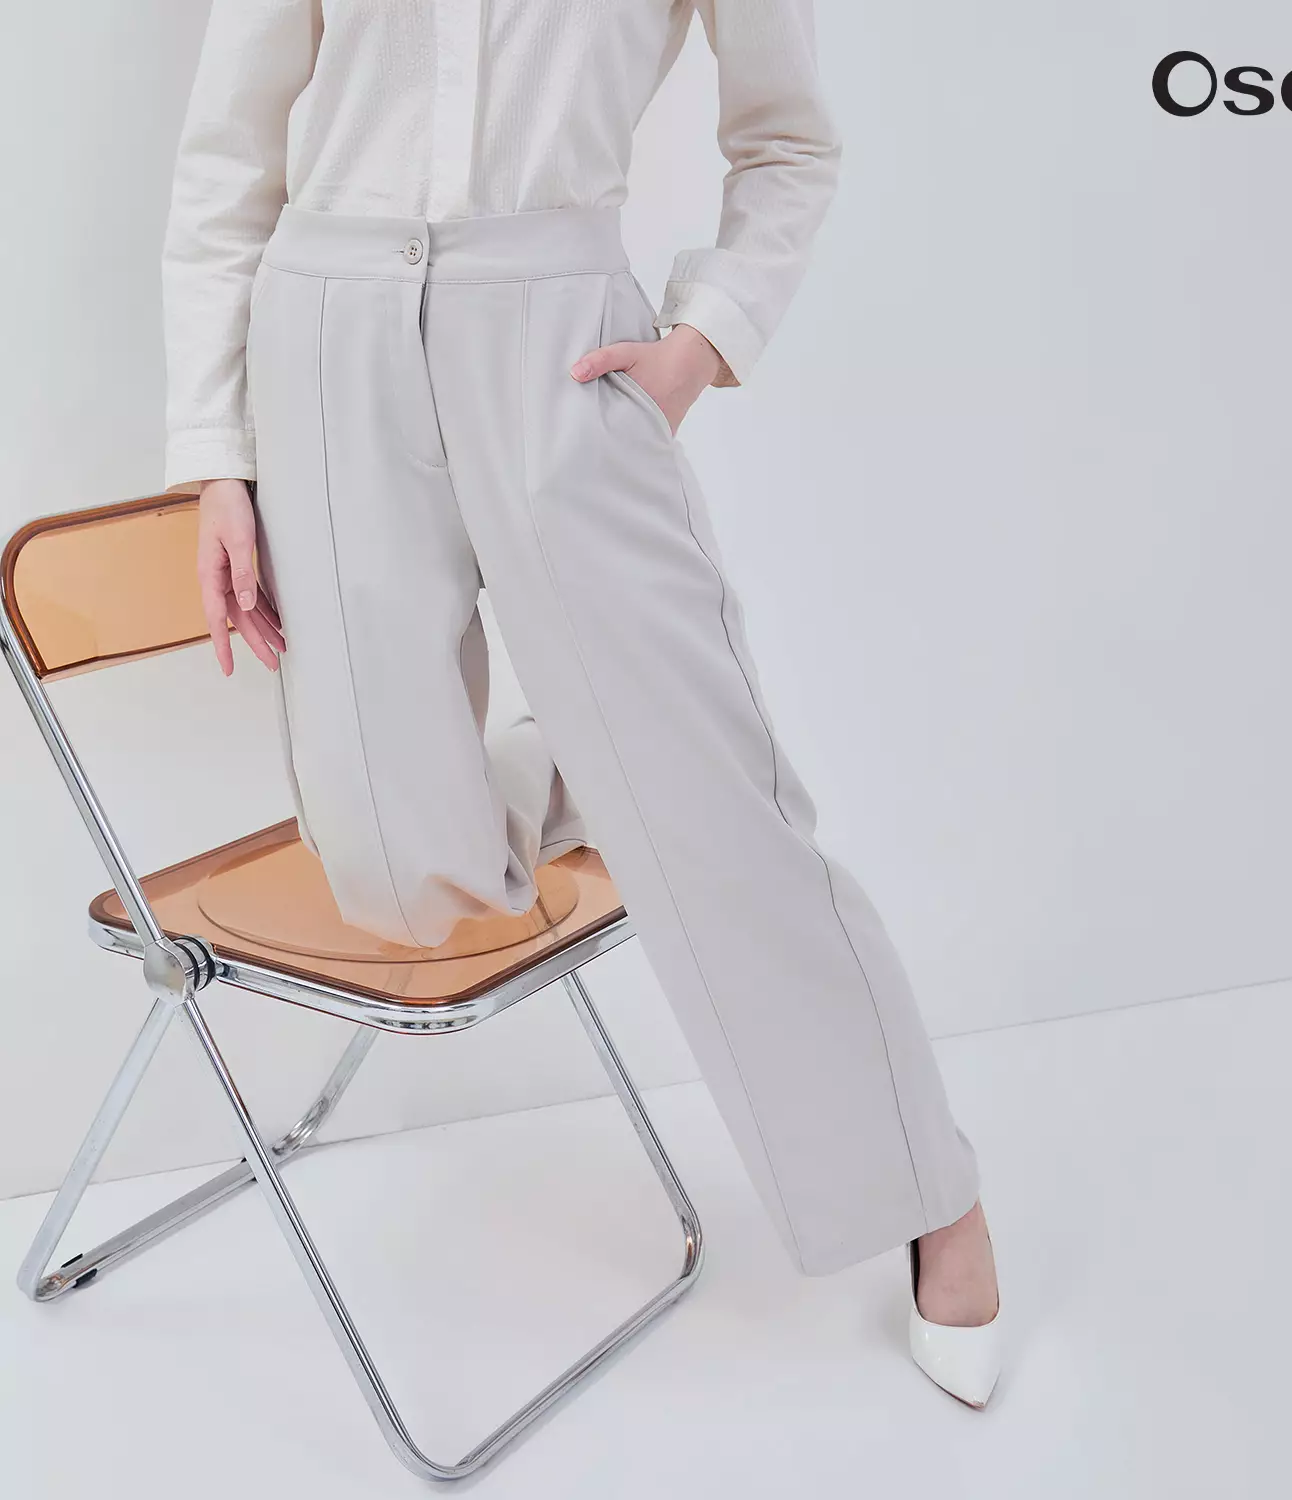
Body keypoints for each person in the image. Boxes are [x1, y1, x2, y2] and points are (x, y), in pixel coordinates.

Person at [162, 0, 1001, 1409]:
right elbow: (225, 157)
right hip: (325, 338)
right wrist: (216, 458)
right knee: (394, 874)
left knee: (721, 819)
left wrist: (705, 336)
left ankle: (931, 1190)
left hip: (557, 332)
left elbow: (789, 143)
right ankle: (597, 765)